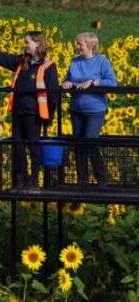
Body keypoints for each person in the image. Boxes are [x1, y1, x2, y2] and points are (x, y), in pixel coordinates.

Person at [0, 31, 59, 189]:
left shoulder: (48, 66)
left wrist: (49, 116)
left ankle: (34, 181)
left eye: (28, 42)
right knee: (17, 146)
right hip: (18, 111)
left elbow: (53, 94)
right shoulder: (22, 62)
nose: (25, 45)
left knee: (33, 147)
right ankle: (20, 180)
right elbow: (4, 58)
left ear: (38, 44)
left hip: (34, 114)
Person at [61, 32, 117, 187]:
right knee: (79, 144)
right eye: (77, 43)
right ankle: (82, 181)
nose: (77, 46)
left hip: (95, 110)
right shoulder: (74, 62)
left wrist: (93, 82)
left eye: (80, 44)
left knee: (91, 142)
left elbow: (113, 82)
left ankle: (102, 181)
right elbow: (67, 80)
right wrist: (66, 83)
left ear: (91, 46)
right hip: (76, 109)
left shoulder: (101, 61)